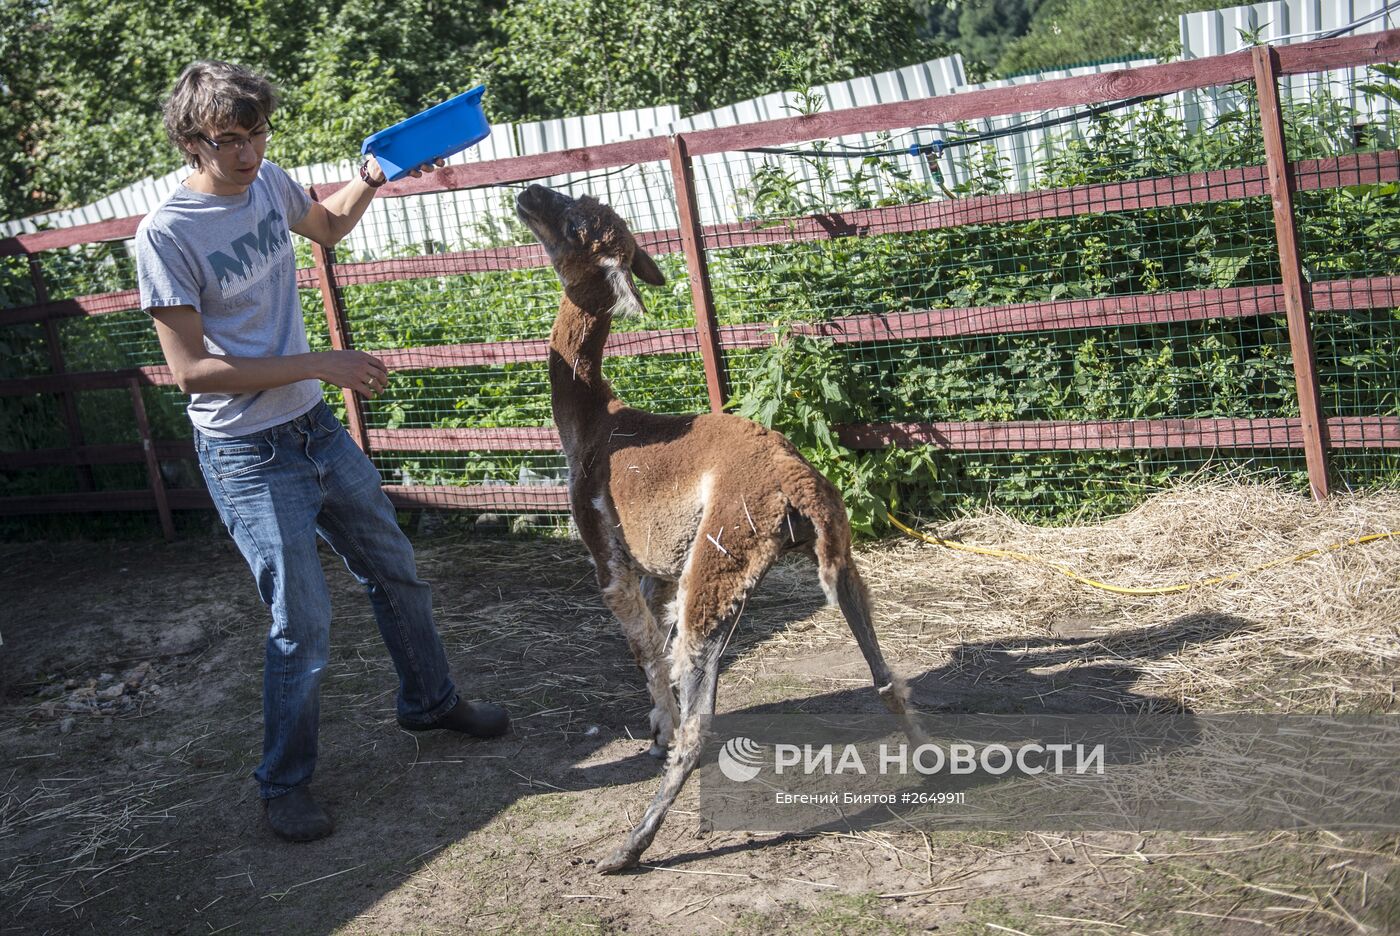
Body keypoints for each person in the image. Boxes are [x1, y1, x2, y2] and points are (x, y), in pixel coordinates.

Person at [135, 60, 510, 844]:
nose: (248, 153)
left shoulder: (269, 183)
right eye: (230, 140)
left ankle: (430, 703)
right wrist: (322, 363)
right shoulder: (167, 235)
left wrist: (374, 173)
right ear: (191, 140)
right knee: (299, 624)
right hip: (247, 452)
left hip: (313, 428)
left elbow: (329, 227)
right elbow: (190, 370)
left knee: (397, 571)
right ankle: (283, 783)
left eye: (258, 133)